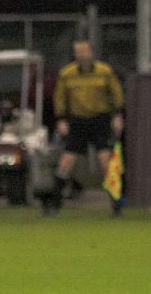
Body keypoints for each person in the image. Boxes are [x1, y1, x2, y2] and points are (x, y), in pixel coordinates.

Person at [41, 39, 125, 216]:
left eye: (85, 51)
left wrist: (117, 115)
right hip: (77, 121)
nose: (82, 55)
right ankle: (54, 205)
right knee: (66, 163)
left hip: (99, 120)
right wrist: (61, 119)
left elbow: (116, 94)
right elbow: (60, 98)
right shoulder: (67, 74)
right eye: (78, 52)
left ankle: (116, 203)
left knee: (105, 161)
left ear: (92, 52)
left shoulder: (104, 71)